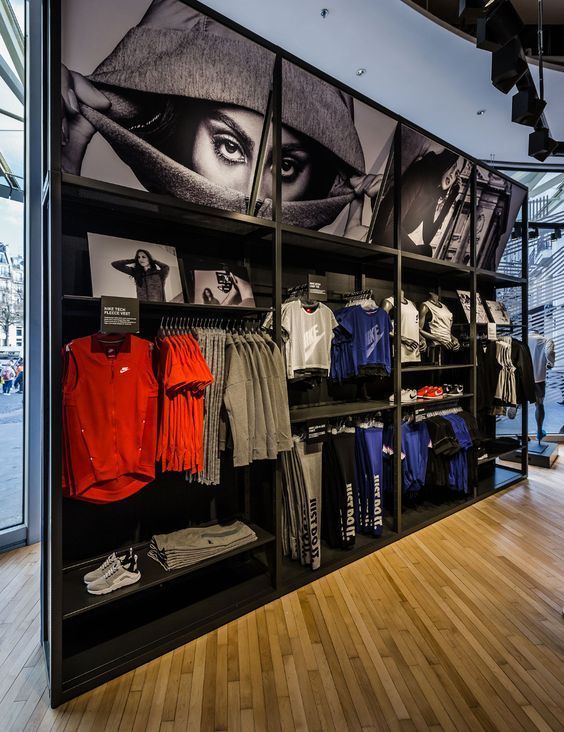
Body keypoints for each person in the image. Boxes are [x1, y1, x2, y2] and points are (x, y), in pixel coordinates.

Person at [60, 0, 383, 239]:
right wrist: (67, 162)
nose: (253, 195)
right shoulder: (132, 236)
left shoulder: (284, 256)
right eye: (229, 147)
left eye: (286, 166)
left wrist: (368, 235)